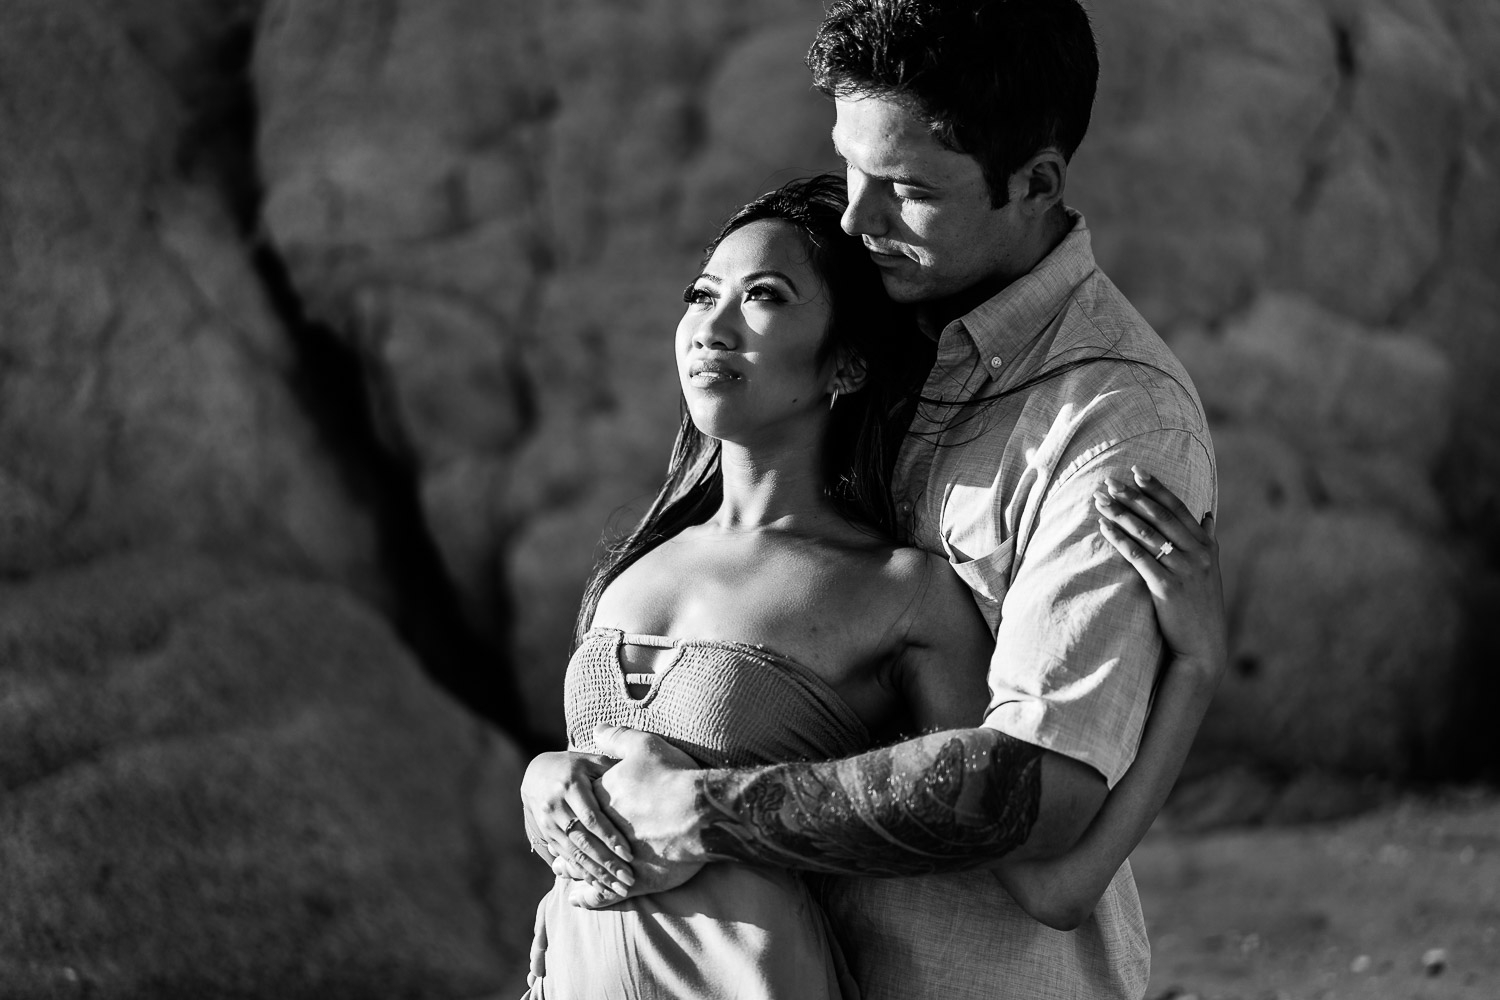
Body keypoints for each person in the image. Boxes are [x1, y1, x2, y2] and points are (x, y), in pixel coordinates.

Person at [532, 1, 1218, 998]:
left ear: (1035, 184)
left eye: (906, 188)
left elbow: (1043, 798)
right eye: (850, 168)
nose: (858, 221)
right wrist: (549, 780)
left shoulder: (1114, 425)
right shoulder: (876, 338)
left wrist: (703, 808)